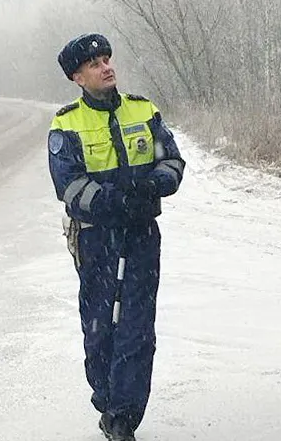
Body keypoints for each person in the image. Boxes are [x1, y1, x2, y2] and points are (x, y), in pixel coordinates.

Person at [46, 33, 185, 441]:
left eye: (107, 59)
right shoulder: (66, 123)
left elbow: (173, 161)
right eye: (94, 64)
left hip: (141, 235)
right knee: (100, 325)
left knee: (138, 326)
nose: (106, 67)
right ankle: (106, 398)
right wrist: (112, 202)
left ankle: (124, 415)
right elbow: (68, 185)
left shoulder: (143, 111)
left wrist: (153, 185)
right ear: (77, 76)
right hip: (95, 240)